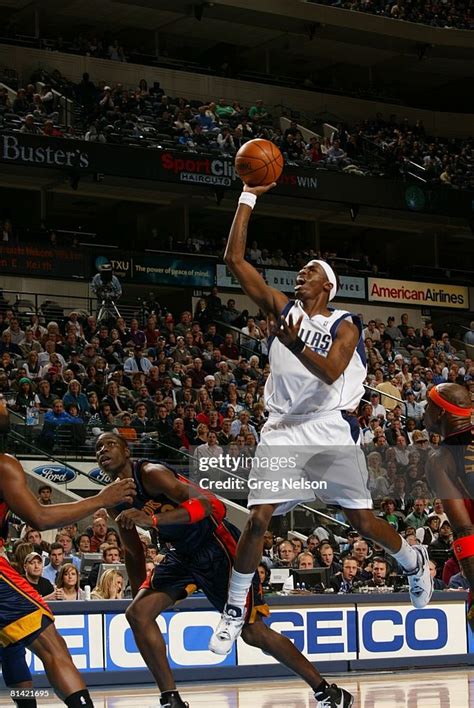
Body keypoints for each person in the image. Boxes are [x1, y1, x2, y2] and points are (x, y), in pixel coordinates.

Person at [209, 182, 432, 685]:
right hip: (282, 430)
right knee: (258, 520)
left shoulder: (345, 322)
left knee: (362, 522)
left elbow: (331, 372)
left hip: (329, 430)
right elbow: (234, 259)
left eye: (310, 271)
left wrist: (294, 343)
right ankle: (234, 608)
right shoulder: (282, 309)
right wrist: (248, 195)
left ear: (327, 285)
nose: (300, 274)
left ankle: (414, 561)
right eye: (301, 271)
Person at [95, 432, 349, 708]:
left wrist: (153, 519)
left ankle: (327, 691)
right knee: (137, 614)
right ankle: (171, 700)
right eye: (97, 448)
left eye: (110, 444)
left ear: (127, 451)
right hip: (181, 553)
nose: (102, 450)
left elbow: (205, 506)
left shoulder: (151, 473)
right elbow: (133, 550)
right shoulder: (113, 501)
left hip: (216, 545)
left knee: (252, 632)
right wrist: (140, 587)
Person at [0, 397, 135, 708]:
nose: (6, 404)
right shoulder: (4, 464)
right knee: (52, 645)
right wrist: (101, 498)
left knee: (10, 645)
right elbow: (40, 517)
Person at [423, 383, 474, 622]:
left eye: (428, 405)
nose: (424, 410)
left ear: (441, 412)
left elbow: (464, 530)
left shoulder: (439, 460)